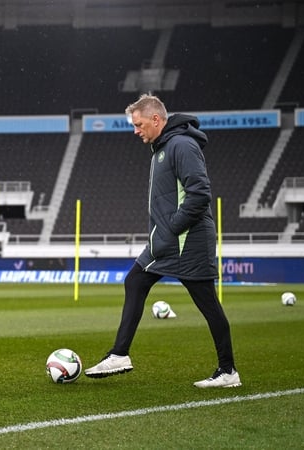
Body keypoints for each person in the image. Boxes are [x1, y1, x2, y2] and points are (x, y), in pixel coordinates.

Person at [84, 94, 241, 388]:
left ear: (156, 119)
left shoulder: (182, 145)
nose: (135, 130)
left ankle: (228, 371)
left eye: (139, 124)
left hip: (186, 241)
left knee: (207, 304)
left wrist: (171, 228)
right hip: (169, 241)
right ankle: (120, 354)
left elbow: (199, 194)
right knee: (136, 281)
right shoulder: (162, 149)